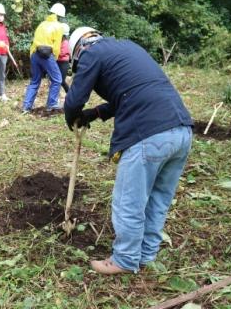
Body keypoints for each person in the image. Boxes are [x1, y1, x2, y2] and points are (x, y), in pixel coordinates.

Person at [64, 27, 193, 275]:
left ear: (77, 51)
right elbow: (130, 92)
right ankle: (145, 254)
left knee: (128, 203)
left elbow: (75, 98)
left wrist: (72, 117)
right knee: (157, 199)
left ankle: (123, 259)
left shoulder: (91, 53)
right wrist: (95, 113)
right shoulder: (127, 47)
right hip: (181, 132)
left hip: (148, 133)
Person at [22, 3, 65, 113]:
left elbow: (34, 40)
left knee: (35, 81)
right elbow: (56, 46)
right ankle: (52, 103)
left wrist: (32, 54)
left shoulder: (42, 24)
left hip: (35, 53)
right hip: (47, 55)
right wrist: (54, 59)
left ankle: (26, 107)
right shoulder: (58, 26)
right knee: (57, 79)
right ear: (60, 16)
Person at [57, 23, 71, 93]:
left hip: (63, 63)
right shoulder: (60, 41)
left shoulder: (65, 42)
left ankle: (70, 94)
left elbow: (62, 53)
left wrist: (54, 53)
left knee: (62, 81)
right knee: (57, 81)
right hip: (58, 62)